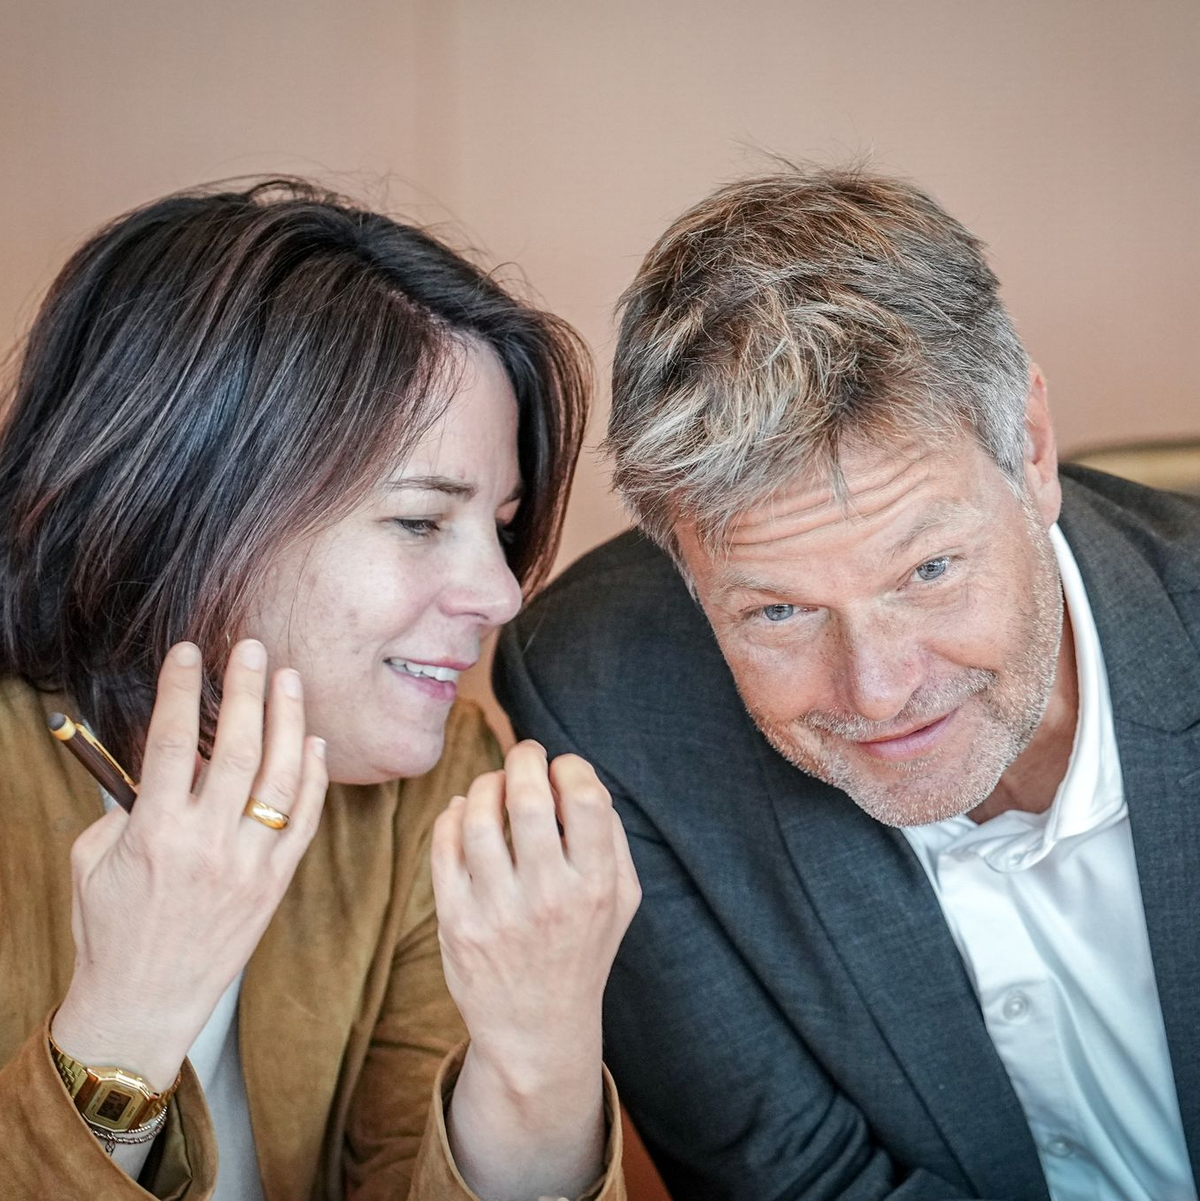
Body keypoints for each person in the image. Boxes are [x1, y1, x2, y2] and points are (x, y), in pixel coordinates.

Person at [495, 165, 1200, 1199]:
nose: (875, 691)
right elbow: (798, 1183)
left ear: (1033, 452)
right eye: (778, 612)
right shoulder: (608, 694)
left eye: (929, 570)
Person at [0, 180, 639, 1200]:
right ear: (190, 506)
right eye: (421, 521)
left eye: (500, 527)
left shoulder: (437, 791)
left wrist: (539, 1062)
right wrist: (126, 1019)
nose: (502, 595)